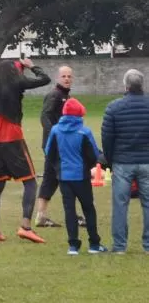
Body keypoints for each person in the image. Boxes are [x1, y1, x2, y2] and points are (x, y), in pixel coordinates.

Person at [0, 57, 51, 243]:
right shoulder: (16, 82)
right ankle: (25, 227)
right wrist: (32, 66)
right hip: (13, 138)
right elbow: (45, 79)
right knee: (31, 182)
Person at [45, 98, 107, 255]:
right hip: (81, 177)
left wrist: (58, 168)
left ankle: (73, 245)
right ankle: (94, 244)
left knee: (69, 210)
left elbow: (49, 152)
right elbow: (93, 154)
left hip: (64, 177)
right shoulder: (84, 131)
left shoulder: (55, 130)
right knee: (88, 209)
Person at [101, 68, 149, 254]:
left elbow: (107, 138)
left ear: (126, 85)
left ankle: (120, 246)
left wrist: (111, 160)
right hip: (146, 161)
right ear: (141, 85)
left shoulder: (113, 107)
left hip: (122, 161)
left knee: (120, 204)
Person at [35, 66, 74, 228]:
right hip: (54, 146)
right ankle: (71, 216)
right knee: (64, 179)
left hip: (61, 145)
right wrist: (55, 135)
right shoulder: (55, 95)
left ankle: (41, 217)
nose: (66, 79)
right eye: (63, 76)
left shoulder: (66, 95)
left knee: (51, 179)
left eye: (69, 76)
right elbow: (45, 117)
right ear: (58, 78)